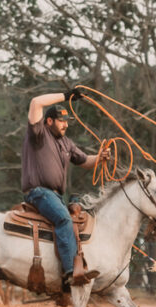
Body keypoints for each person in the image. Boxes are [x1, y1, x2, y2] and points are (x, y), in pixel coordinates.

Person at [23, 93, 109, 285]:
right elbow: (36, 102)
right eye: (62, 121)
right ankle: (71, 272)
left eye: (67, 121)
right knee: (63, 218)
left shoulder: (66, 143)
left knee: (77, 219)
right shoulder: (38, 134)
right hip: (38, 192)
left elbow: (86, 161)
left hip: (54, 195)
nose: (66, 125)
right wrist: (66, 95)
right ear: (49, 121)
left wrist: (101, 157)